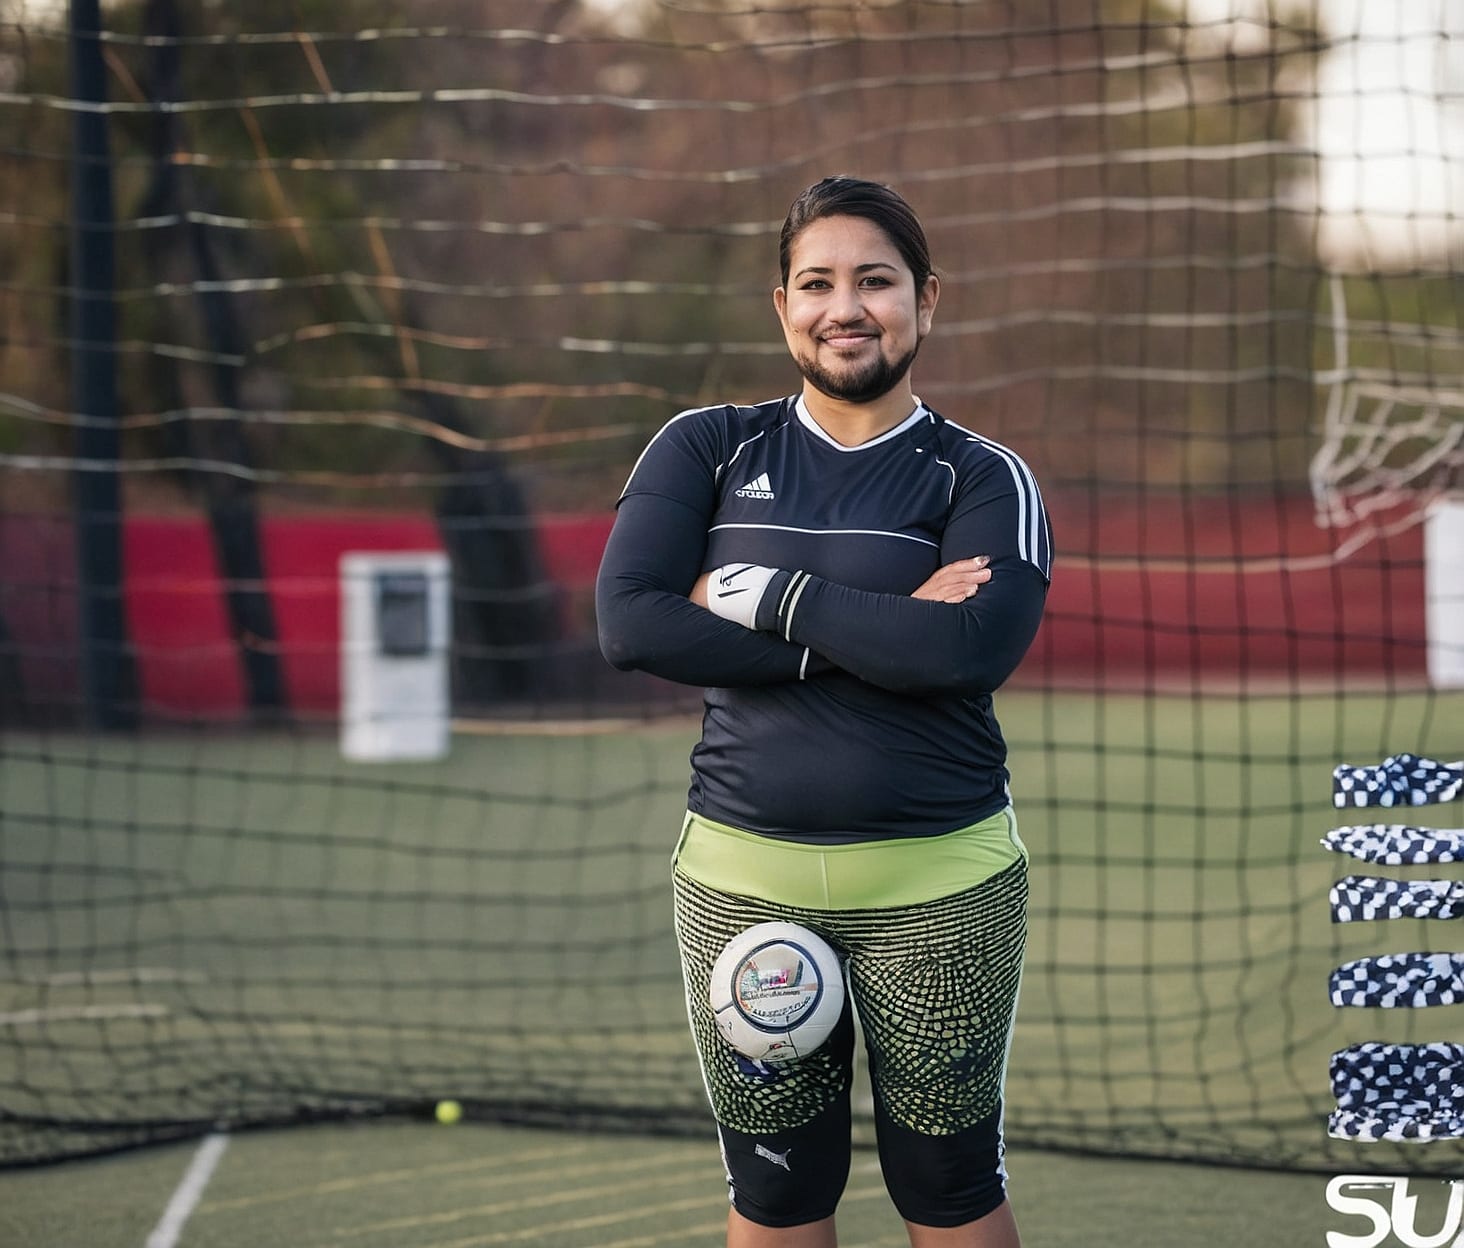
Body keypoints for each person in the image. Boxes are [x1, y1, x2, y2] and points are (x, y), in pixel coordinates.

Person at [595, 175, 1052, 1248]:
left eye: (875, 281)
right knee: (779, 1195)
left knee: (949, 1188)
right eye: (817, 283)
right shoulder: (705, 449)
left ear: (926, 300)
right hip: (740, 886)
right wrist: (877, 632)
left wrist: (764, 599)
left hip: (940, 890)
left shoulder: (983, 476)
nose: (845, 307)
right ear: (783, 305)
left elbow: (972, 648)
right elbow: (631, 624)